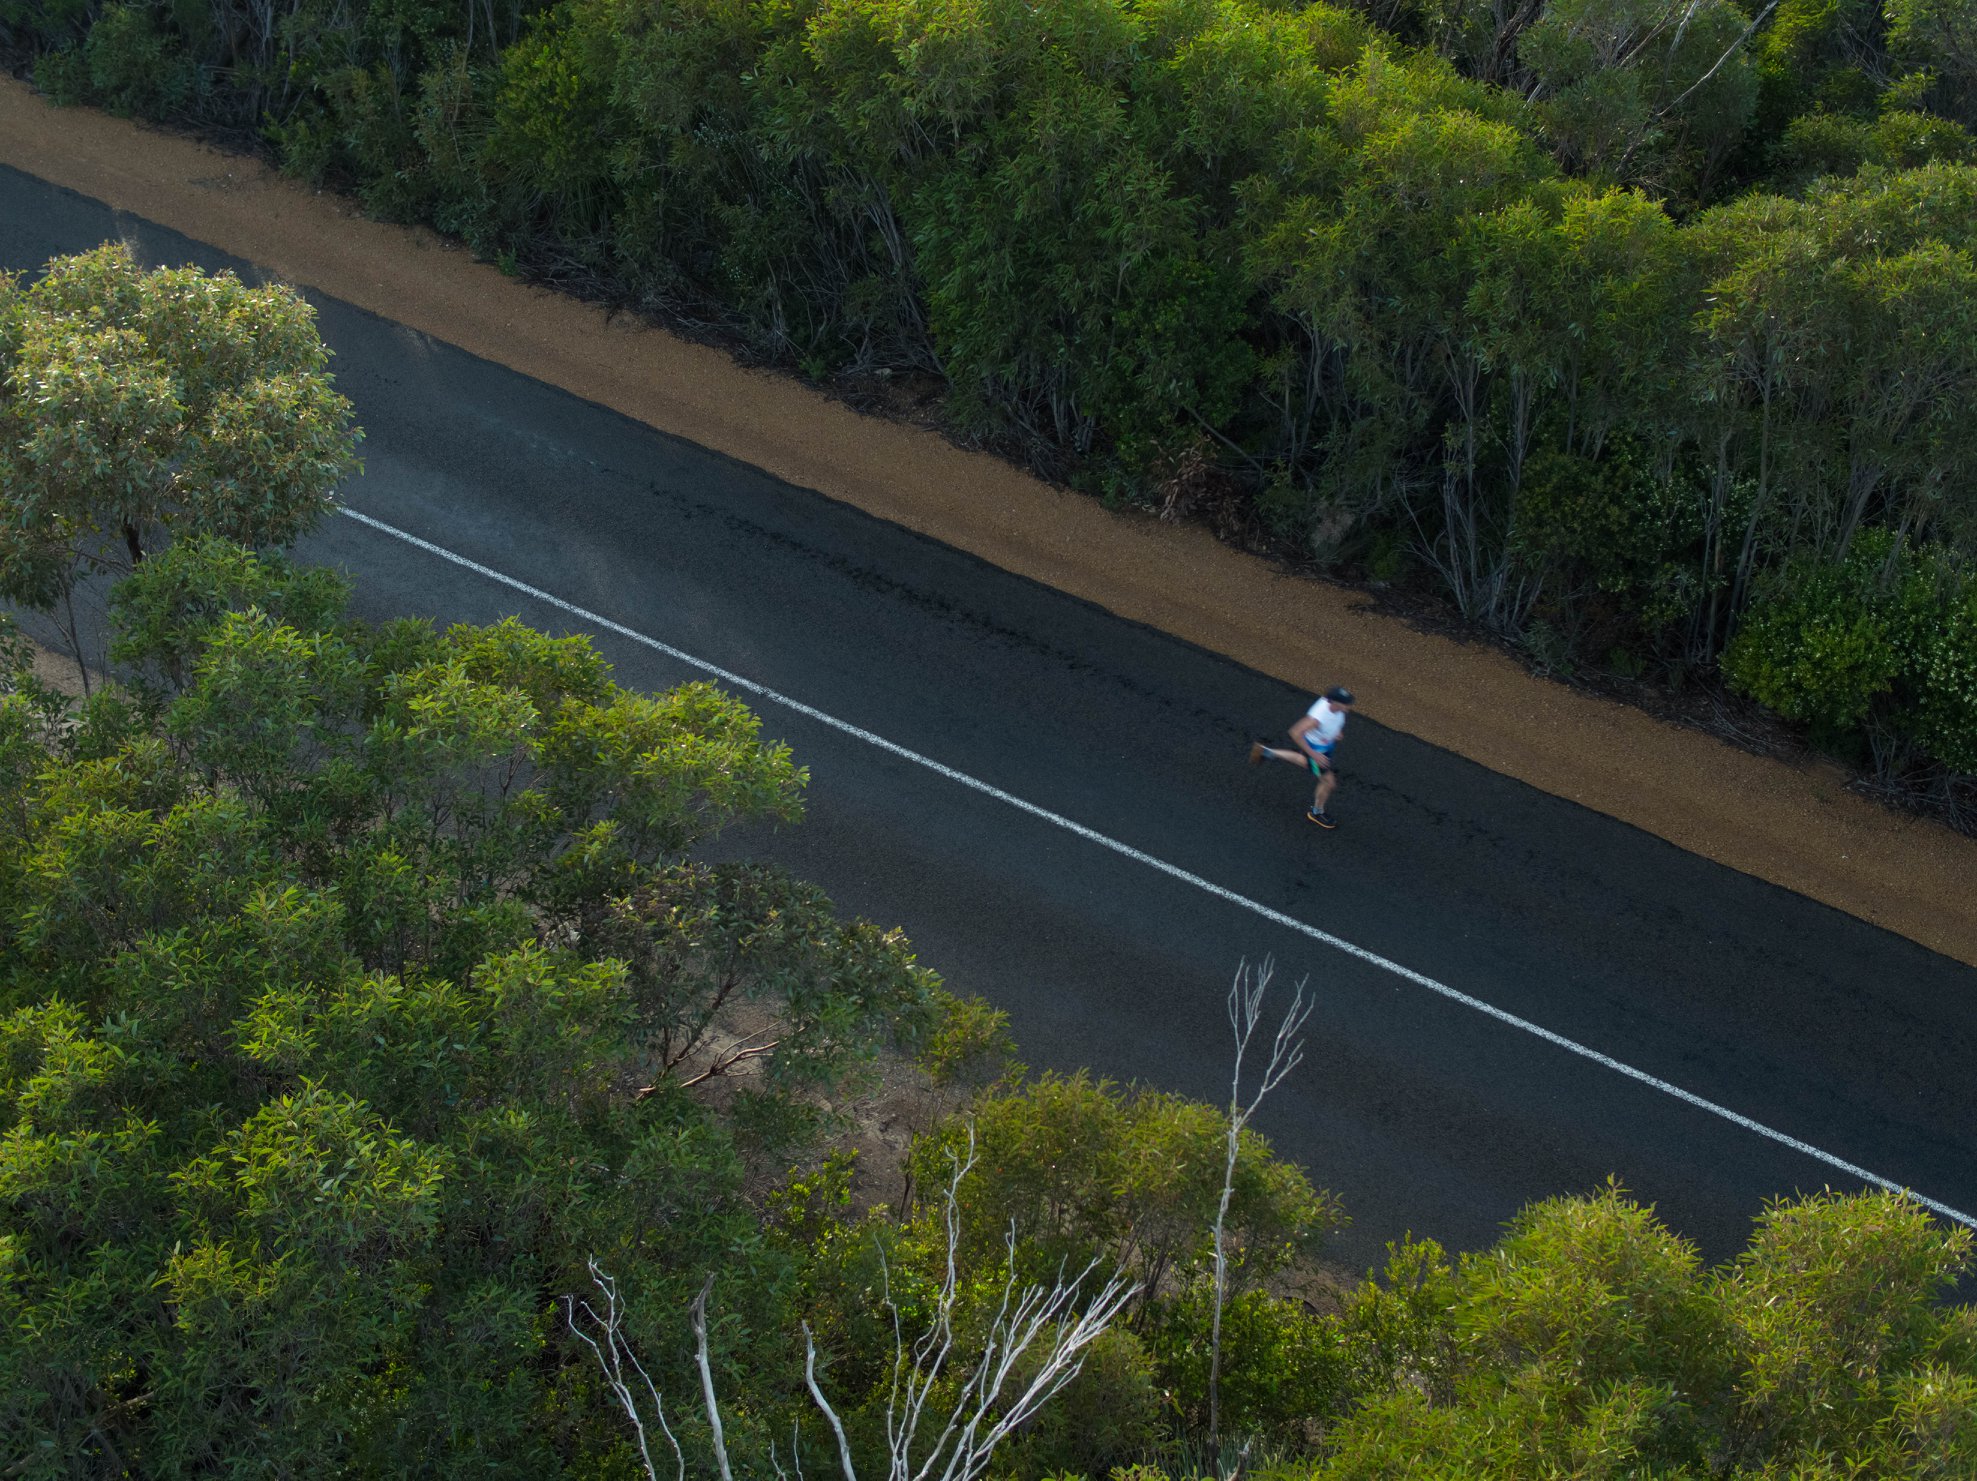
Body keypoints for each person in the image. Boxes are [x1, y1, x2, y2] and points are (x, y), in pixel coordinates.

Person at [1249, 686, 1355, 829]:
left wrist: (1335, 731)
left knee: (1305, 762)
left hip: (1325, 746)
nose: (1349, 705)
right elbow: (1295, 732)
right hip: (1317, 750)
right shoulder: (1317, 718)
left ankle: (1266, 752)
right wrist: (1314, 755)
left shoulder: (1335, 707)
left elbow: (1332, 720)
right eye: (1345, 703)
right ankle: (1316, 812)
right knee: (1329, 782)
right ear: (1334, 702)